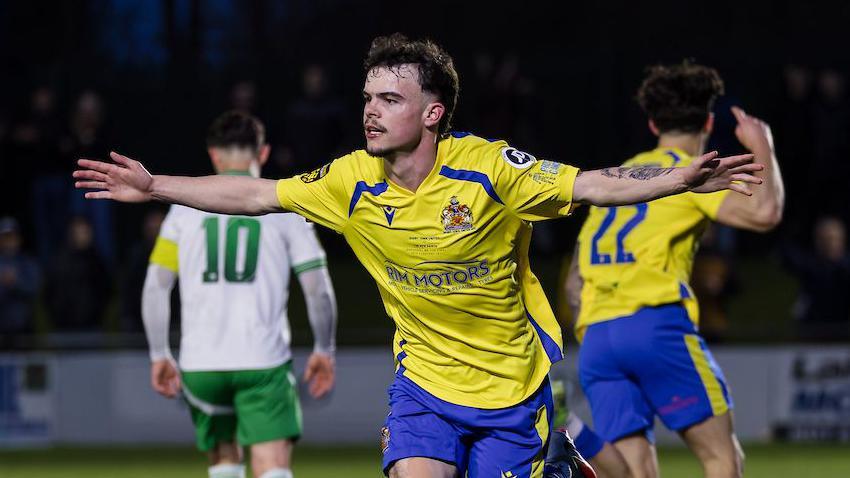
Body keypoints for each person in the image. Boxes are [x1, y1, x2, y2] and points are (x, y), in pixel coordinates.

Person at [74, 34, 763, 478]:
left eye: (391, 99)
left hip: (510, 392)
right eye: (368, 97)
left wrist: (674, 177)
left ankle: (557, 463)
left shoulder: (489, 169)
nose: (371, 110)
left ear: (433, 114)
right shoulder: (351, 180)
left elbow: (589, 183)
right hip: (424, 389)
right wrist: (156, 185)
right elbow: (258, 194)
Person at [562, 61, 784, 478]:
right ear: (709, 121)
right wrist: (763, 143)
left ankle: (569, 428)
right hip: (653, 323)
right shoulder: (689, 174)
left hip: (595, 337)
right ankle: (567, 430)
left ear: (651, 123)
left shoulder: (620, 177)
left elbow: (574, 278)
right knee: (721, 459)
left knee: (633, 472)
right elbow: (765, 213)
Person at [141, 111, 338, 478]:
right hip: (261, 360)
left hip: (201, 363)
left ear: (214, 156)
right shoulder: (287, 207)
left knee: (224, 464)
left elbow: (156, 286)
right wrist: (324, 349)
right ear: (262, 154)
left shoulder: (182, 211)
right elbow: (318, 290)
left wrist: (159, 354)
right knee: (271, 467)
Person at [783, 216, 850, 341]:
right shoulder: (810, 266)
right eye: (823, 239)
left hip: (844, 336)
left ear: (842, 240)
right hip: (813, 334)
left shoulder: (846, 269)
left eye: (832, 239)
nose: (828, 244)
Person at [0, 216, 40, 346]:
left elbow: (35, 288)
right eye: (6, 237)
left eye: (12, 237)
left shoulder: (27, 262)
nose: (9, 241)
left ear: (19, 238)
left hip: (25, 329)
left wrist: (16, 282)